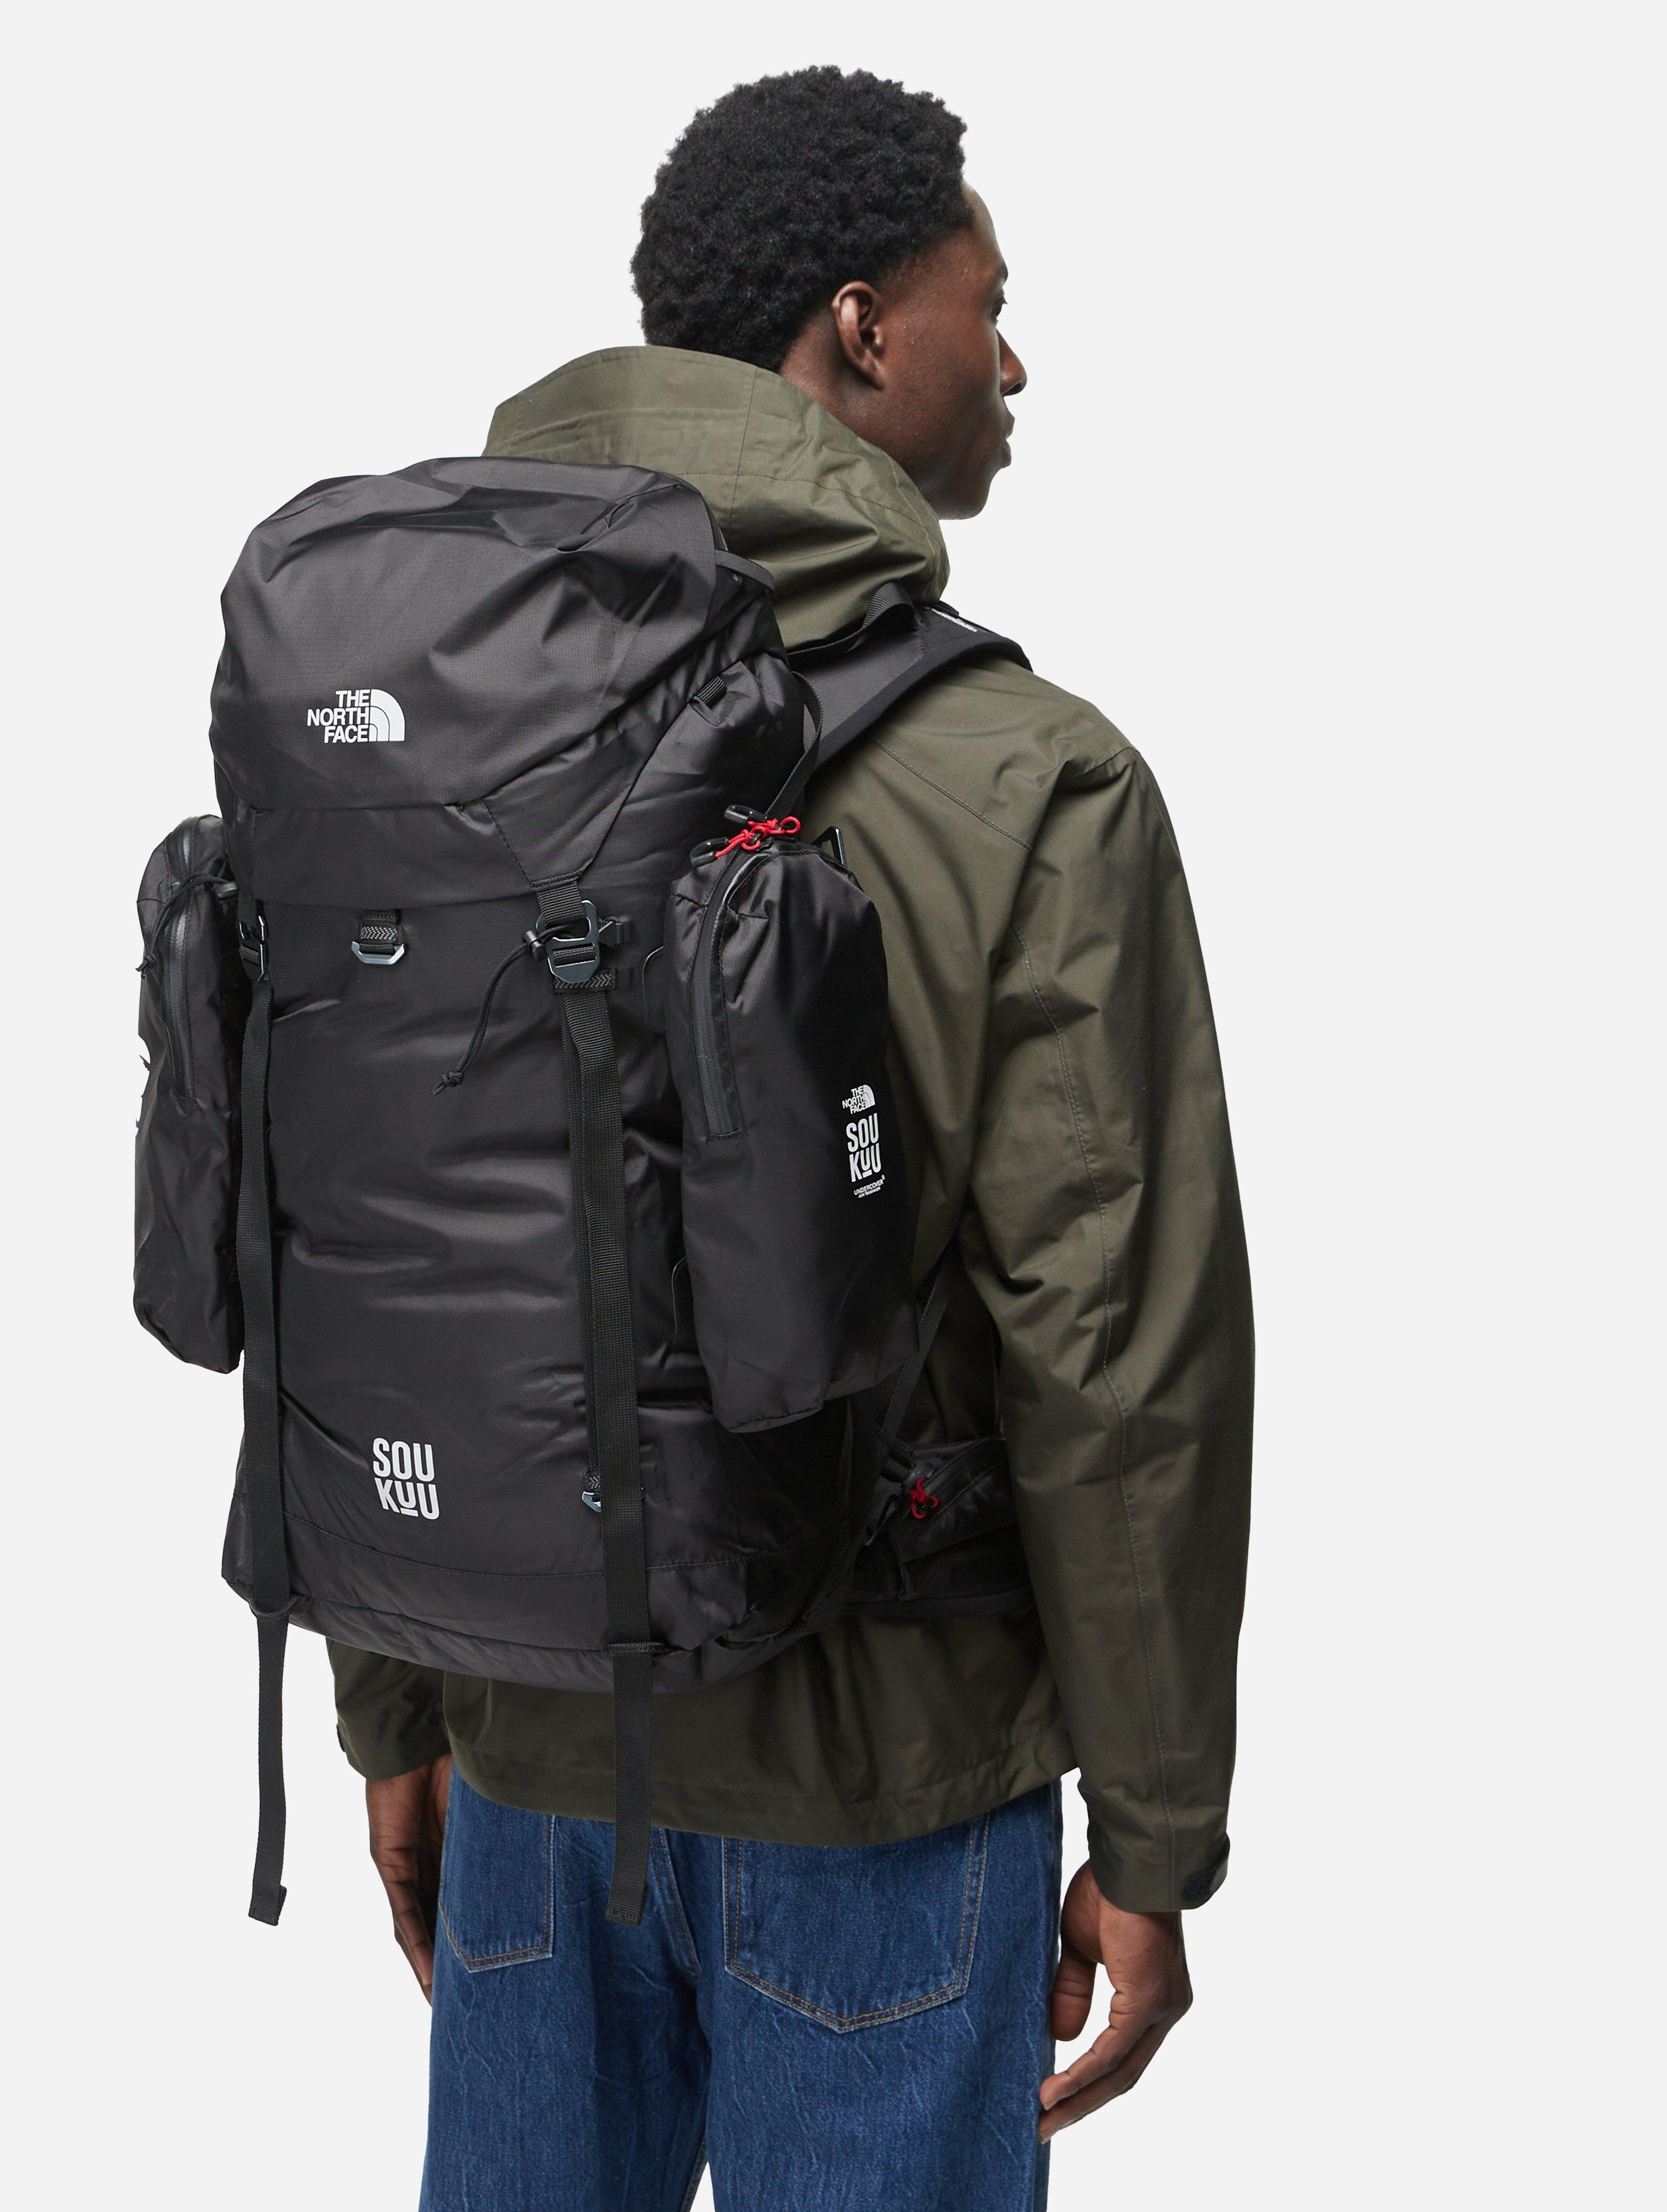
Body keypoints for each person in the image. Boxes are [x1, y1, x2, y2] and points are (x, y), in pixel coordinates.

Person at [328, 66, 1253, 2212]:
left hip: (531, 1754)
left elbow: (380, 1237)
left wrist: (398, 1709)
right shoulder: (1034, 782)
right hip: (886, 1790)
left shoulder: (440, 721)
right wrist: (1155, 1833)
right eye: (985, 307)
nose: (1009, 363)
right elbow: (1115, 1361)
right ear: (859, 326)